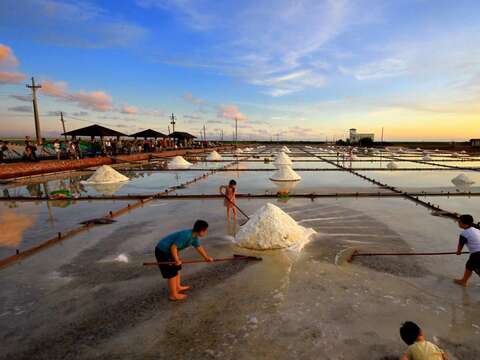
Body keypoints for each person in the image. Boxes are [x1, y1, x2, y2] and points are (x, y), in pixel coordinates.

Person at [155, 220, 213, 301]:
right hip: (163, 250)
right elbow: (173, 247)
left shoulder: (194, 237)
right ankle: (173, 295)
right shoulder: (186, 235)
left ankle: (178, 287)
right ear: (201, 230)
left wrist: (206, 257)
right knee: (171, 273)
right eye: (206, 230)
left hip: (171, 251)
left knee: (177, 268)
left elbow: (199, 247)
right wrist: (176, 259)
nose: (206, 232)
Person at [454, 214, 480, 287]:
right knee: (470, 266)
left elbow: (461, 244)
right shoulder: (476, 230)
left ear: (464, 224)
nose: (458, 223)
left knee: (473, 267)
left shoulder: (464, 233)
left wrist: (458, 251)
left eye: (459, 222)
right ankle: (464, 281)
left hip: (477, 254)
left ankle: (463, 281)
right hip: (477, 252)